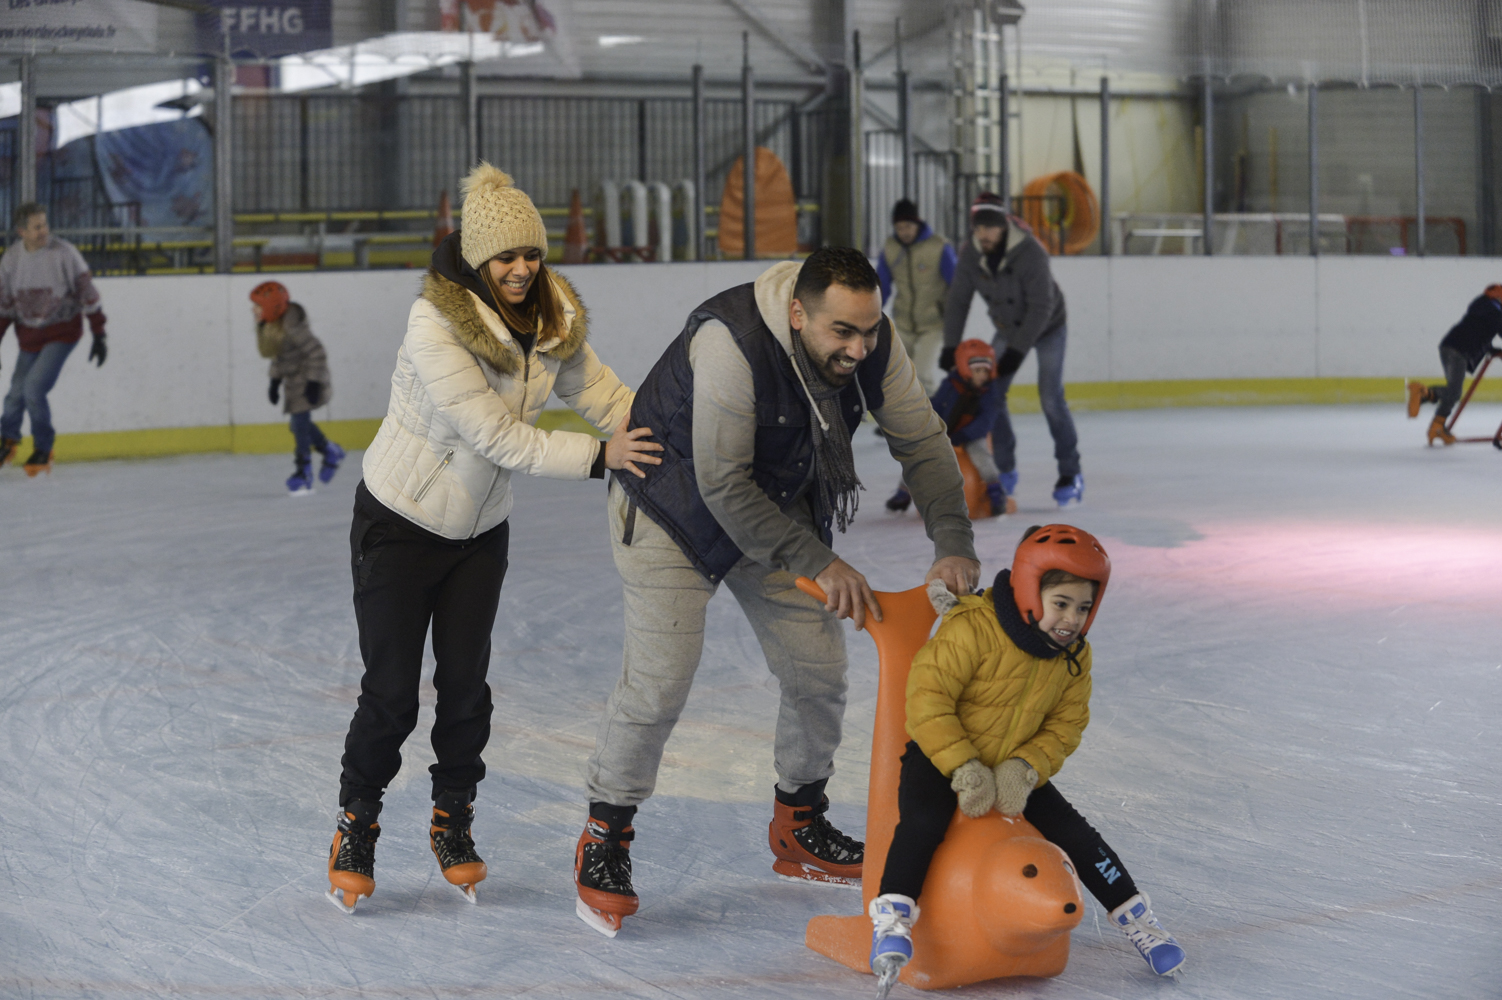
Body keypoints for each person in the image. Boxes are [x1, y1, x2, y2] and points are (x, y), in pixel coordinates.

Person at [575, 246, 981, 938]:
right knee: (661, 680)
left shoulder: (872, 344)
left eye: (869, 330)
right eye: (841, 333)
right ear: (798, 314)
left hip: (770, 501)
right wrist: (819, 561)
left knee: (817, 666)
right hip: (671, 508)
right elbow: (720, 484)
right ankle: (604, 835)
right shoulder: (729, 342)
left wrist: (953, 543)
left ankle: (798, 823)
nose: (858, 348)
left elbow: (921, 440)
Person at [324, 163, 662, 914]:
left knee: (467, 689)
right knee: (390, 694)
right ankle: (358, 822)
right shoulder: (433, 325)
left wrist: (664, 427)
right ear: (478, 260)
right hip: (400, 523)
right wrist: (599, 459)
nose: (520, 270)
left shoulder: (552, 319)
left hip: (479, 531)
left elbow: (599, 392)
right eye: (506, 258)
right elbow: (495, 435)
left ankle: (453, 821)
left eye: (531, 255)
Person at [867, 524, 1186, 982]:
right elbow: (927, 700)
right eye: (1061, 604)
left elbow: (1066, 723)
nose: (1072, 619)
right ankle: (893, 919)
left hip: (1012, 763)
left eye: (1083, 608)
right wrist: (961, 765)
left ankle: (1138, 921)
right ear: (1028, 590)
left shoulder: (1074, 656)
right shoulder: (972, 629)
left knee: (1076, 834)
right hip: (942, 756)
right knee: (922, 822)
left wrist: (1026, 766)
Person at [941, 193, 1082, 509]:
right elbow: (958, 301)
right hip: (1007, 329)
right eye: (979, 228)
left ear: (1003, 226)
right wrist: (951, 345)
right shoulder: (971, 254)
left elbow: (1041, 306)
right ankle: (1005, 467)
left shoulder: (1031, 252)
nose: (983, 235)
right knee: (991, 392)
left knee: (1050, 397)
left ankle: (1070, 473)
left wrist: (1016, 352)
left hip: (1048, 327)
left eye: (990, 228)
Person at [0, 203, 108, 476]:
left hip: (62, 331)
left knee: (33, 389)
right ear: (21, 231)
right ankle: (8, 440)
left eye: (45, 224)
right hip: (30, 335)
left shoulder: (64, 254)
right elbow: (5, 307)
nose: (43, 231)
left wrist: (99, 333)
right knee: (15, 394)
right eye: (36, 227)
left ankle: (44, 448)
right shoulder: (11, 261)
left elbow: (87, 293)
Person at [886, 339, 1013, 519]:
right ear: (964, 368)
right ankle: (903, 493)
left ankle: (995, 491)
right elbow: (936, 406)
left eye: (985, 371)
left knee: (981, 454)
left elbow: (986, 421)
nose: (982, 376)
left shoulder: (990, 392)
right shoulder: (951, 385)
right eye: (977, 371)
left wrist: (964, 435)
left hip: (971, 434)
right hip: (945, 432)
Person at [250, 281, 346, 494]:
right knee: (298, 425)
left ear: (272, 306)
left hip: (308, 380)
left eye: (257, 306)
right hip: (293, 382)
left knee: (300, 426)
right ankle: (330, 451)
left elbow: (317, 353)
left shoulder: (293, 328)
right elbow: (280, 357)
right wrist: (274, 382)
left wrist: (312, 383)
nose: (253, 310)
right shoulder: (274, 326)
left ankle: (304, 473)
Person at [877, 199, 956, 396]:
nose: (904, 232)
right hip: (904, 323)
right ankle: (902, 425)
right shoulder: (890, 248)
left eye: (908, 226)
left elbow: (956, 285)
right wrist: (873, 312)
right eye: (900, 227)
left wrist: (953, 317)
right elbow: (881, 286)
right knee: (898, 375)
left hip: (933, 324)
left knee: (921, 375)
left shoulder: (939, 247)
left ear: (918, 223)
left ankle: (935, 420)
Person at [1406, 284, 1502, 445]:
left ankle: (1437, 427)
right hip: (1458, 350)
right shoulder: (1494, 310)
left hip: (1452, 347)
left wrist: (1490, 348)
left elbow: (1480, 330)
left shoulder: (1484, 306)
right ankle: (1422, 392)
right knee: (1454, 391)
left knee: (1453, 390)